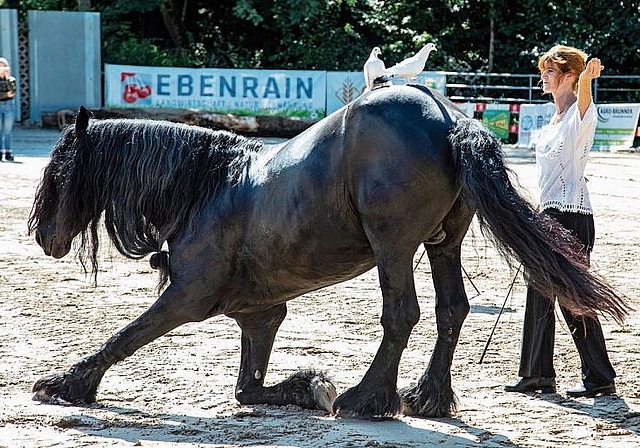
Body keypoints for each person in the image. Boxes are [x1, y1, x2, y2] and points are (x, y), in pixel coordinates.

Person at [505, 45, 616, 398]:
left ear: (568, 76)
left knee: (571, 296)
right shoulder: (552, 120)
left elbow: (583, 97)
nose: (543, 77)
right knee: (544, 290)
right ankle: (543, 373)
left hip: (571, 216)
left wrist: (586, 79)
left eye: (550, 72)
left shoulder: (580, 115)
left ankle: (592, 376)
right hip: (550, 213)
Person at [0, 57, 16, 162]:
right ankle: (0, 151)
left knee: (7, 130)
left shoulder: (11, 79)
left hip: (9, 105)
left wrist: (6, 78)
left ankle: (8, 152)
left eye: (3, 66)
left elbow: (12, 92)